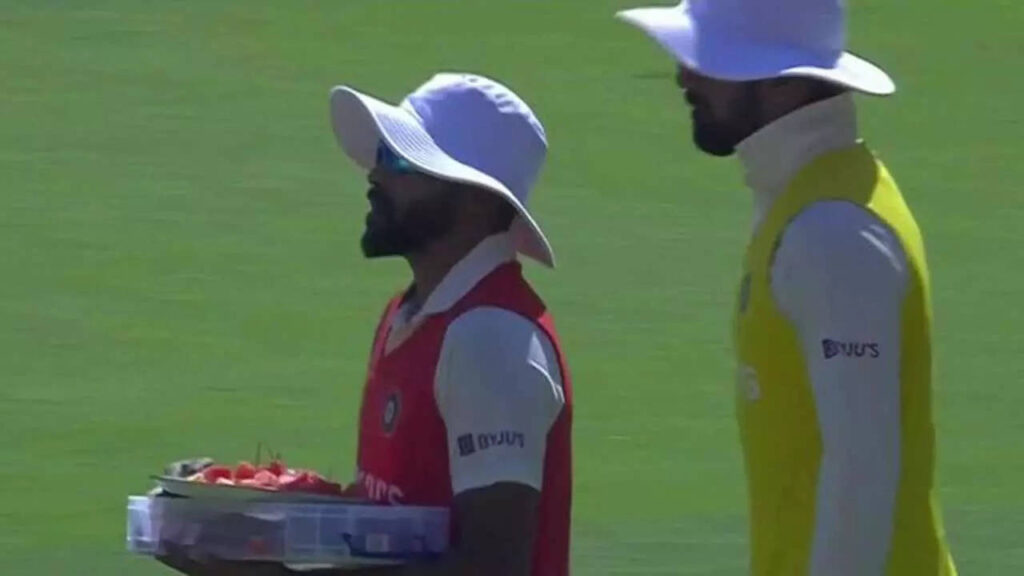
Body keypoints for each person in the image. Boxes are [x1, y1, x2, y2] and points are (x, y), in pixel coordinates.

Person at [158, 73, 573, 576]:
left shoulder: (490, 340)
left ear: (475, 200)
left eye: (400, 159)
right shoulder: (411, 315)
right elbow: (390, 523)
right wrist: (238, 507)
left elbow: (491, 566)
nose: (375, 175)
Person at [616, 1, 957, 574]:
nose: (685, 75)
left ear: (782, 83)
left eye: (709, 60)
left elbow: (862, 474)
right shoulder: (810, 203)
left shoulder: (829, 233)